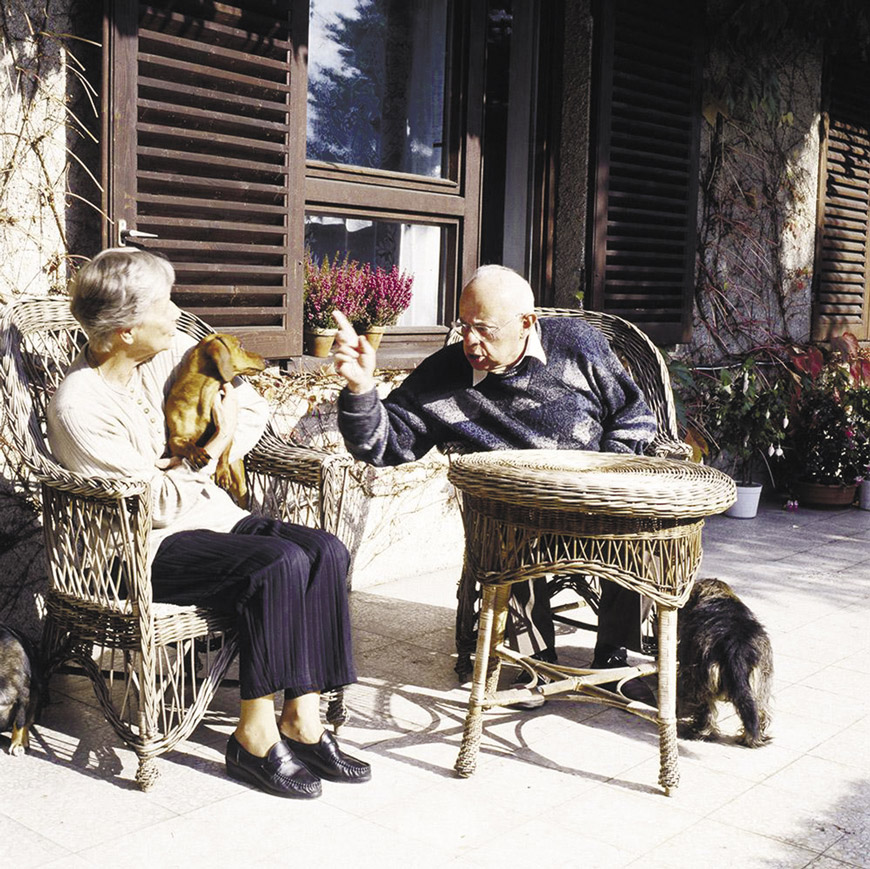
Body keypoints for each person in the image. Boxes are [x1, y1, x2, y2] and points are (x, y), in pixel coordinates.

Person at [46, 248, 371, 799]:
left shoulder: (163, 360)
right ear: (125, 330)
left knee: (326, 550)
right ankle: (254, 737)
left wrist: (200, 453)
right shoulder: (82, 403)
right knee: (279, 564)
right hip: (136, 553)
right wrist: (211, 447)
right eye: (164, 303)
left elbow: (251, 409)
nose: (177, 312)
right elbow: (149, 507)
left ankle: (303, 720)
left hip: (207, 520)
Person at [332, 264, 658, 699]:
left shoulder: (579, 345)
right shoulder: (444, 375)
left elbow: (633, 417)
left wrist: (605, 478)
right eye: (463, 326)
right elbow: (384, 445)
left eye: (484, 329)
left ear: (527, 324)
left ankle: (614, 656)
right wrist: (360, 389)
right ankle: (534, 664)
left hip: (596, 496)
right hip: (521, 513)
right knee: (507, 528)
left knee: (643, 526)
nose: (469, 341)